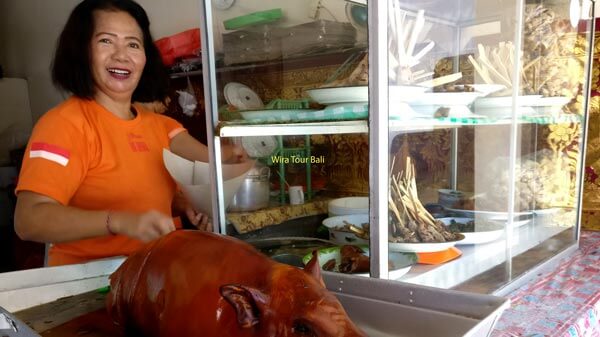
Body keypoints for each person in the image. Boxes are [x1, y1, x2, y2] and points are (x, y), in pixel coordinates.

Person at [14, 0, 241, 266]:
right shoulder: (64, 124)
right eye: (106, 41)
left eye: (133, 44)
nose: (122, 55)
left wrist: (184, 204)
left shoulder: (161, 126)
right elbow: (29, 219)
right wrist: (117, 220)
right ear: (81, 51)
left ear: (145, 57)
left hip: (156, 271)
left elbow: (208, 161)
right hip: (86, 283)